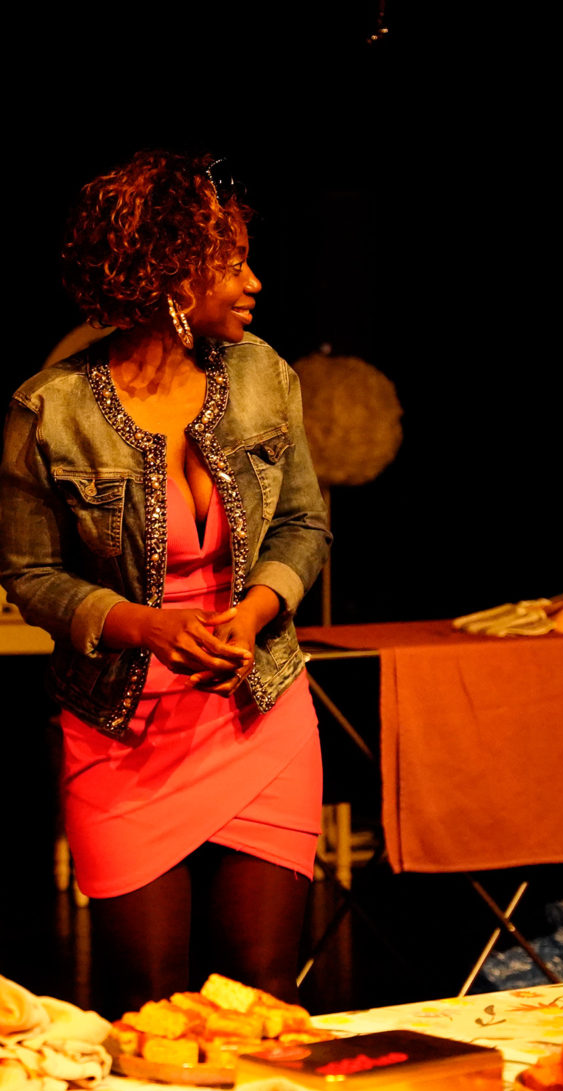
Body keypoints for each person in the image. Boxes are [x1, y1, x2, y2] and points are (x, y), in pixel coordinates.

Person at [0, 152, 332, 1017]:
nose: (255, 282)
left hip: (258, 711)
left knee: (261, 1000)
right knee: (144, 1005)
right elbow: (29, 575)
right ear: (166, 273)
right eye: (231, 265)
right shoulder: (52, 410)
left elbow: (304, 525)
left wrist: (254, 613)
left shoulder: (265, 375)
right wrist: (143, 628)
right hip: (121, 733)